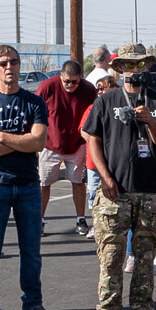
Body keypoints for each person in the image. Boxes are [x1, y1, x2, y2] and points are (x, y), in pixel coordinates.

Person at [85, 44, 156, 310]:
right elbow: (92, 139)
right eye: (128, 65)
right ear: (120, 67)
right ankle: (108, 309)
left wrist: (150, 121)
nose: (134, 70)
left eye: (139, 65)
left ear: (146, 67)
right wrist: (105, 177)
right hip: (115, 189)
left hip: (149, 189)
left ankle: (142, 307)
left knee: (145, 253)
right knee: (111, 253)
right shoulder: (106, 100)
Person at [0, 43, 57, 310]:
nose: (10, 67)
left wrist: (1, 137)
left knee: (31, 250)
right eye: (4, 63)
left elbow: (38, 142)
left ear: (20, 66)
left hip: (28, 185)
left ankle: (32, 305)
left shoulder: (34, 102)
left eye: (14, 62)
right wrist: (19, 142)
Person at [34, 56, 98, 238]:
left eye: (74, 82)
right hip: (50, 144)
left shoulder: (88, 89)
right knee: (44, 183)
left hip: (77, 143)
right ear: (60, 77)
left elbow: (94, 112)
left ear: (81, 79)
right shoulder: (48, 86)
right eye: (66, 81)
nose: (70, 85)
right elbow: (35, 110)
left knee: (78, 182)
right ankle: (39, 221)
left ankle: (80, 219)